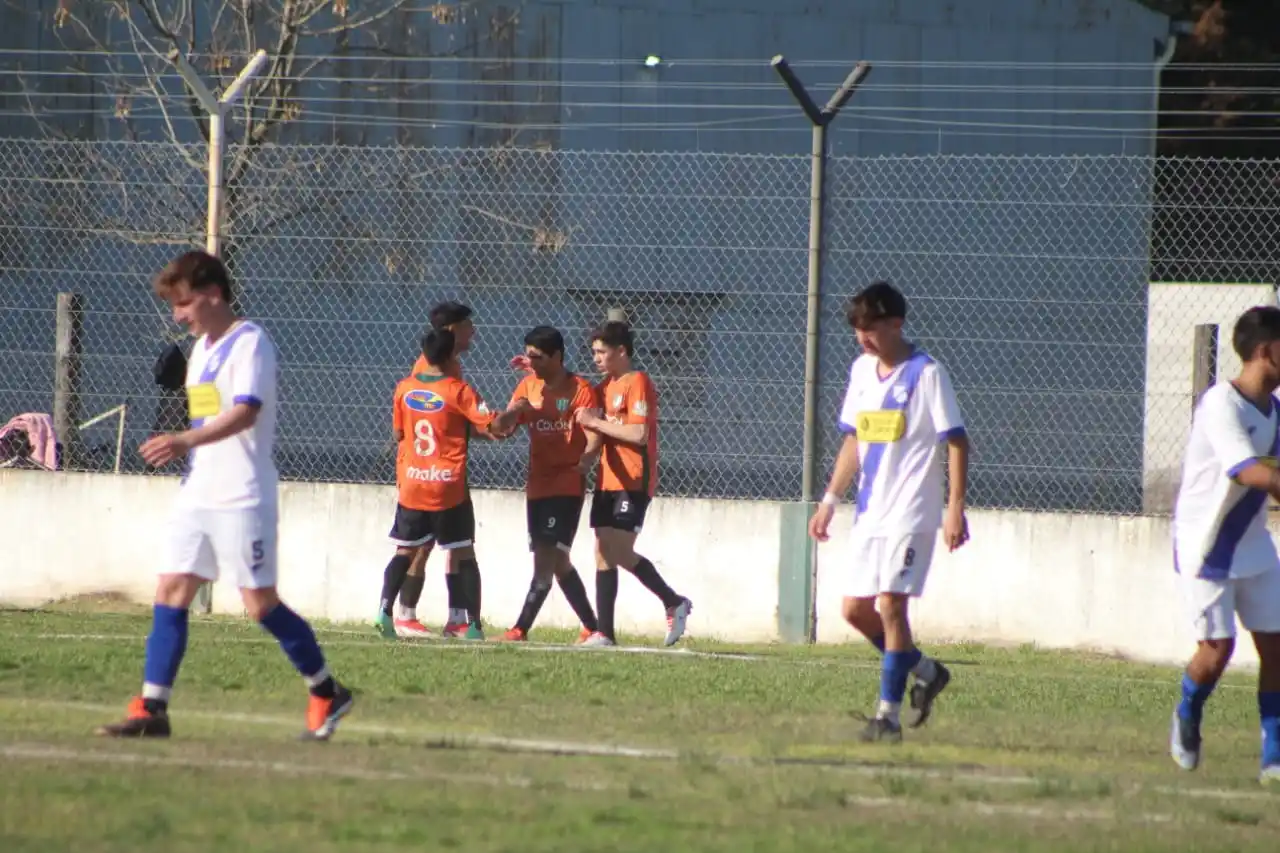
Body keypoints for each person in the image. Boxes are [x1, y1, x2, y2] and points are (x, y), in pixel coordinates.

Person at [97, 250, 353, 740]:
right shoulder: (200, 351)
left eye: (184, 303)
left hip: (242, 493)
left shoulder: (250, 342)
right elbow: (206, 414)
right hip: (198, 491)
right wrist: (182, 440)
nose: (178, 315)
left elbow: (245, 412)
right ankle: (152, 709)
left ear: (213, 294)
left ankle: (326, 691)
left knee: (259, 604)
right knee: (172, 590)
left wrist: (182, 440)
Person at [807, 281, 969, 744]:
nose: (862, 337)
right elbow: (854, 439)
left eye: (871, 328)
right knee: (855, 610)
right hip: (870, 514)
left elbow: (957, 441)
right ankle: (927, 671)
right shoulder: (862, 371)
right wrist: (829, 500)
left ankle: (888, 717)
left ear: (896, 324)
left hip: (912, 513)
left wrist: (955, 509)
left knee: (891, 606)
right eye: (857, 329)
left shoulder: (927, 374)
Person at [1169, 305, 1280, 785]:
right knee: (1217, 651)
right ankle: (1187, 711)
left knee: (1277, 648)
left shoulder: (1275, 410)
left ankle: (1273, 754)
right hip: (1208, 545)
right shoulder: (1221, 403)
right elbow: (1248, 472)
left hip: (1254, 546)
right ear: (1267, 351)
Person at [375, 326, 527, 640]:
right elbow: (494, 424)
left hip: (413, 483)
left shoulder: (404, 388)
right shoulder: (459, 391)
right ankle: (472, 626)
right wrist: (517, 409)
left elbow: (400, 433)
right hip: (447, 486)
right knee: (464, 552)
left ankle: (384, 611)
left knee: (405, 550)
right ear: (449, 357)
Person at [576, 321, 692, 647]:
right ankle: (605, 633)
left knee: (618, 550)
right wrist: (584, 459)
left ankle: (673, 601)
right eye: (594, 352)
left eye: (602, 352)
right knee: (602, 552)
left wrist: (595, 422)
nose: (596, 358)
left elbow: (638, 434)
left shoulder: (637, 381)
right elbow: (595, 429)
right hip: (607, 480)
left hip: (633, 480)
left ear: (621, 351)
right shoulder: (603, 388)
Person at [500, 326, 604, 643]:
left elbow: (594, 434)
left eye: (538, 357)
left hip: (567, 484)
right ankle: (593, 627)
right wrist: (513, 412)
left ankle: (520, 629)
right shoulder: (527, 386)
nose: (531, 363)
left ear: (557, 356)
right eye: (528, 357)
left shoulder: (580, 389)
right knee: (559, 561)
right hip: (537, 485)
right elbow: (503, 429)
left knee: (545, 558)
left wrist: (587, 458)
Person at [393, 301, 476, 637]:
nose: (474, 332)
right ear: (452, 330)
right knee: (420, 545)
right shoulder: (430, 368)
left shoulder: (451, 365)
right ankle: (405, 614)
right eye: (468, 326)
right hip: (428, 471)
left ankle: (456, 618)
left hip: (447, 469)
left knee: (456, 543)